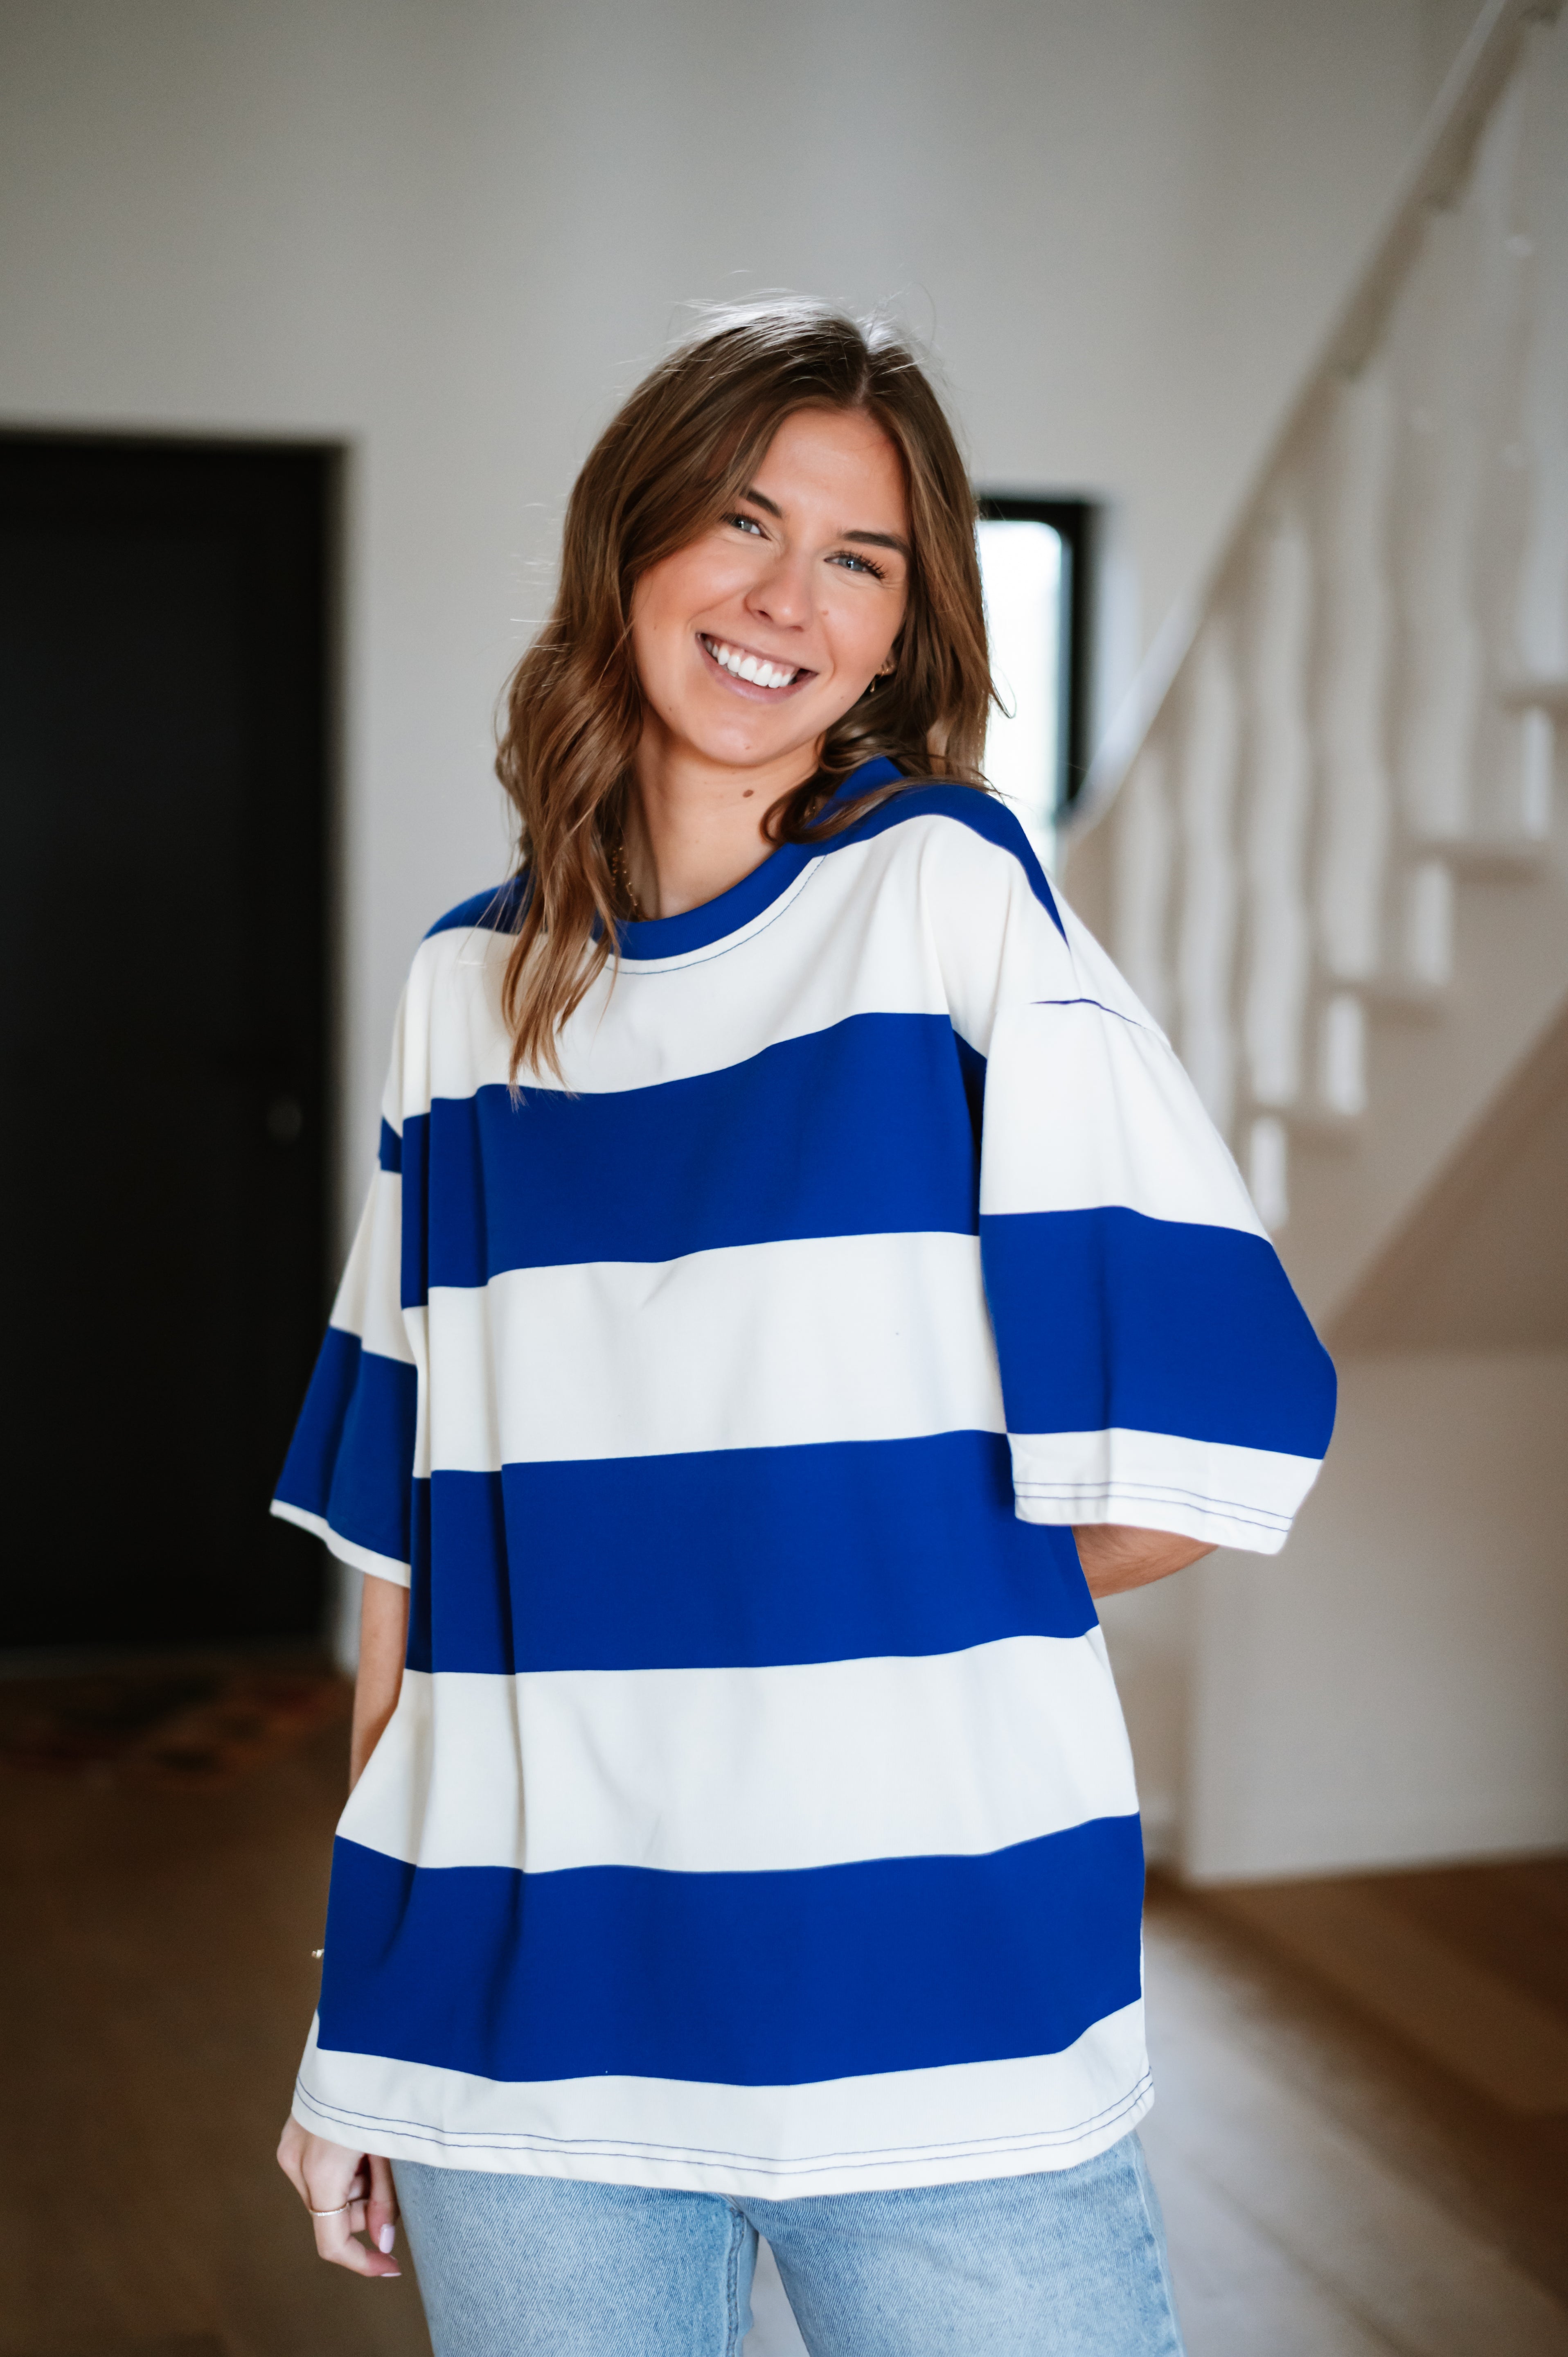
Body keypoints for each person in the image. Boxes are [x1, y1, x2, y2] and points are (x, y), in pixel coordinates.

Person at [273, 301, 1335, 2355]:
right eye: (745, 524)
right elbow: (407, 1564)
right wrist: (356, 2027)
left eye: (859, 560)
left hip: (939, 1992)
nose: (786, 601)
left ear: (899, 633)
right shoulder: (461, 995)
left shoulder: (943, 896)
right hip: (518, 2022)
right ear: (632, 540)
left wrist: (827, 1596)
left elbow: (1215, 1422)